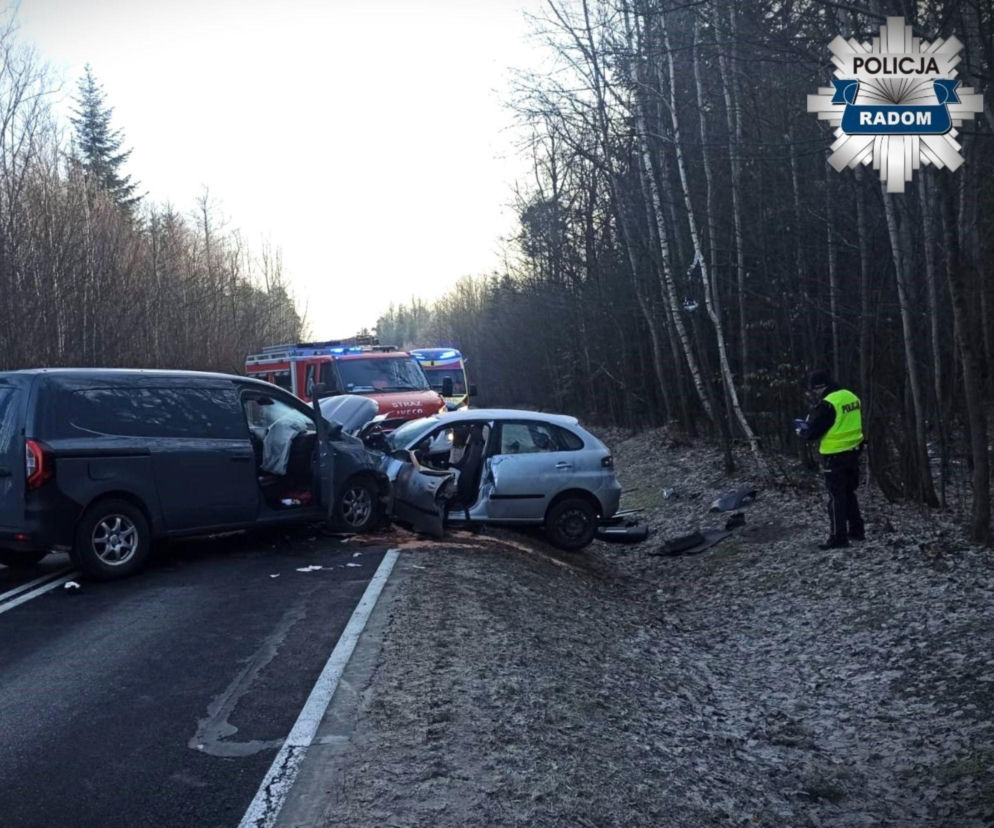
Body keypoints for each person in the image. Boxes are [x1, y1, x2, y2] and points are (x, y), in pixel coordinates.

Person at [796, 370, 865, 550]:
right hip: (854, 451)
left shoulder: (828, 405)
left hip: (834, 456)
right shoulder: (851, 396)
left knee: (836, 497)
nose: (813, 394)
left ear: (820, 387)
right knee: (849, 492)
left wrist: (802, 432)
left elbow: (813, 432)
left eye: (814, 390)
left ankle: (838, 538)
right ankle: (857, 531)